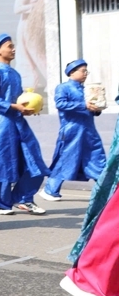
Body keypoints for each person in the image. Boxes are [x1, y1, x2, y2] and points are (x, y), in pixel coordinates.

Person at [60, 86, 119, 296]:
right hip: (72, 128)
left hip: (87, 128)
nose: (83, 73)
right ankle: (92, 278)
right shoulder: (64, 88)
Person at [0, 34, 48, 215]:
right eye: (10, 46)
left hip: (18, 122)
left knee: (34, 160)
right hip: (1, 124)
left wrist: (28, 108)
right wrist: (12, 106)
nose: (14, 49)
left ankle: (23, 198)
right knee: (2, 163)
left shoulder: (15, 74)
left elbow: (19, 98)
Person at [40, 60, 106, 201]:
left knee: (97, 158)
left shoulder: (86, 89)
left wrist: (97, 108)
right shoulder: (63, 88)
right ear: (72, 72)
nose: (85, 74)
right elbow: (61, 103)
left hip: (89, 131)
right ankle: (50, 190)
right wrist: (84, 105)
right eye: (83, 71)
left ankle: (107, 191)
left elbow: (91, 109)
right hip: (72, 131)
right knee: (66, 160)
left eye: (86, 71)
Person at [13, 0, 47, 93]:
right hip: (28, 27)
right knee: (38, 55)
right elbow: (17, 8)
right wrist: (36, 6)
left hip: (38, 25)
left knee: (41, 54)